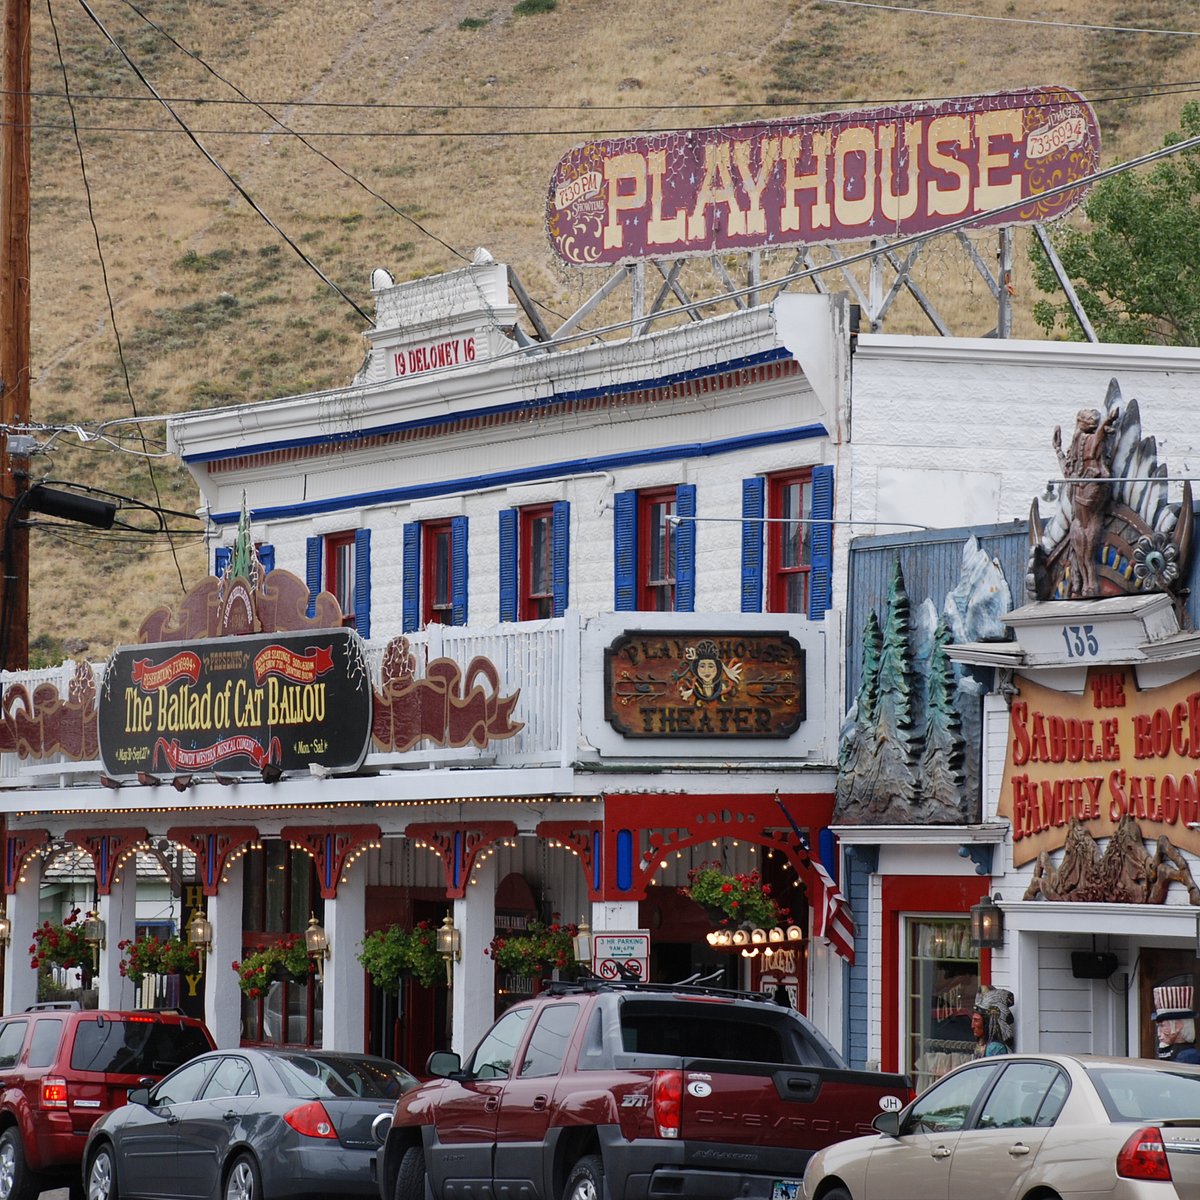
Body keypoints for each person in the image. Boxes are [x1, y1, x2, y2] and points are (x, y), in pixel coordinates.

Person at [1052, 405, 1120, 598]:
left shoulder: (1091, 440)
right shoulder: (1077, 445)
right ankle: (1085, 583)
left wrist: (1108, 421)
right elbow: (1067, 471)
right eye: (1087, 420)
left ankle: (1090, 581)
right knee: (1080, 546)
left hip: (1091, 497)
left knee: (1088, 548)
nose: (1090, 423)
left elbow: (1098, 437)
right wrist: (1057, 448)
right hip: (1080, 506)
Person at [1151, 984, 1200, 1064]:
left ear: (1178, 1026)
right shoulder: (1172, 1052)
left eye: (1162, 1026)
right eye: (1158, 1026)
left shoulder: (1189, 1056)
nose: (1159, 1034)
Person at [972, 987, 1014, 1057]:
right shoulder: (982, 1045)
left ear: (987, 1022)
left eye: (976, 1020)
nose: (972, 1026)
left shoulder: (995, 1048)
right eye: (973, 1020)